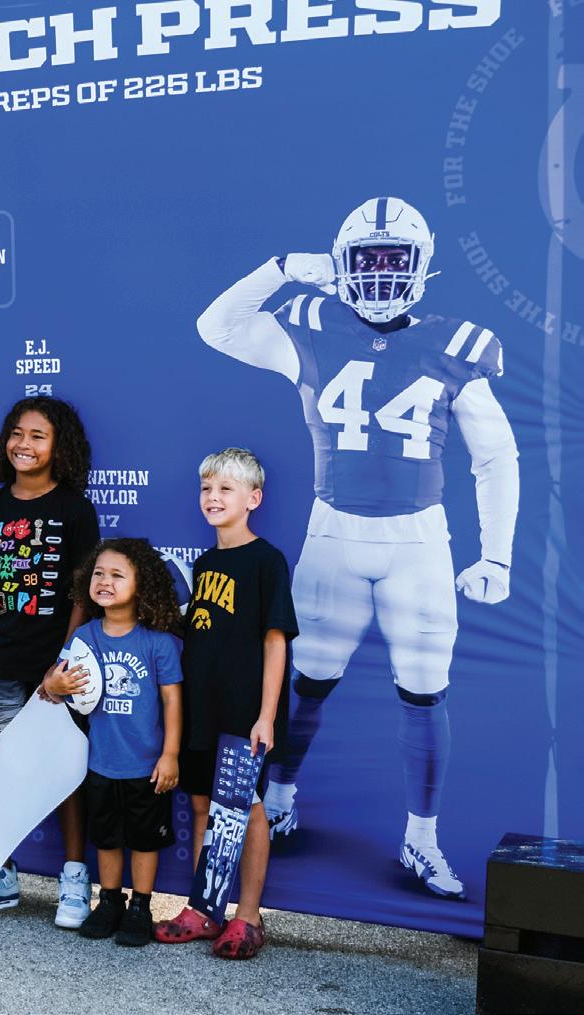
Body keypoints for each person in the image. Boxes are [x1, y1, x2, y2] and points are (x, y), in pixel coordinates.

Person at [195, 197, 520, 900]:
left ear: (421, 265)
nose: (379, 274)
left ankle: (421, 838)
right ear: (340, 263)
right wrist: (282, 267)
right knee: (306, 681)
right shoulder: (312, 327)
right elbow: (214, 326)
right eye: (366, 259)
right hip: (333, 533)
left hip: (417, 540)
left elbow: (495, 457)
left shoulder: (456, 343)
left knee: (424, 691)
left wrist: (496, 554)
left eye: (392, 258)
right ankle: (279, 799)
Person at [0, 396, 100, 926]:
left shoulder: (74, 510)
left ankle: (75, 879)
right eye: (16, 433)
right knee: (7, 767)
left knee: (65, 771)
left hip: (59, 670)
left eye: (37, 435)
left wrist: (64, 660)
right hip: (4, 663)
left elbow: (82, 594)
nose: (23, 444)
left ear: (60, 447)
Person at [155, 448, 297, 960]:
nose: (213, 497)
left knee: (247, 808)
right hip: (202, 706)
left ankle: (249, 916)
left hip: (245, 712)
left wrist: (266, 716)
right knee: (201, 803)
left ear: (253, 499)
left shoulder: (266, 561)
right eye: (206, 489)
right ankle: (205, 908)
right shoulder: (206, 563)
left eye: (225, 489)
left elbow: (275, 641)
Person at [43, 538, 183, 947]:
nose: (105, 581)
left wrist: (170, 754)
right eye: (99, 573)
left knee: (144, 839)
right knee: (105, 837)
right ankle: (109, 901)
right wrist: (53, 684)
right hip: (100, 761)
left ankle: (140, 906)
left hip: (146, 765)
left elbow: (173, 700)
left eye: (118, 575)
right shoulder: (85, 637)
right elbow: (54, 681)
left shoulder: (157, 641)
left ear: (142, 585)